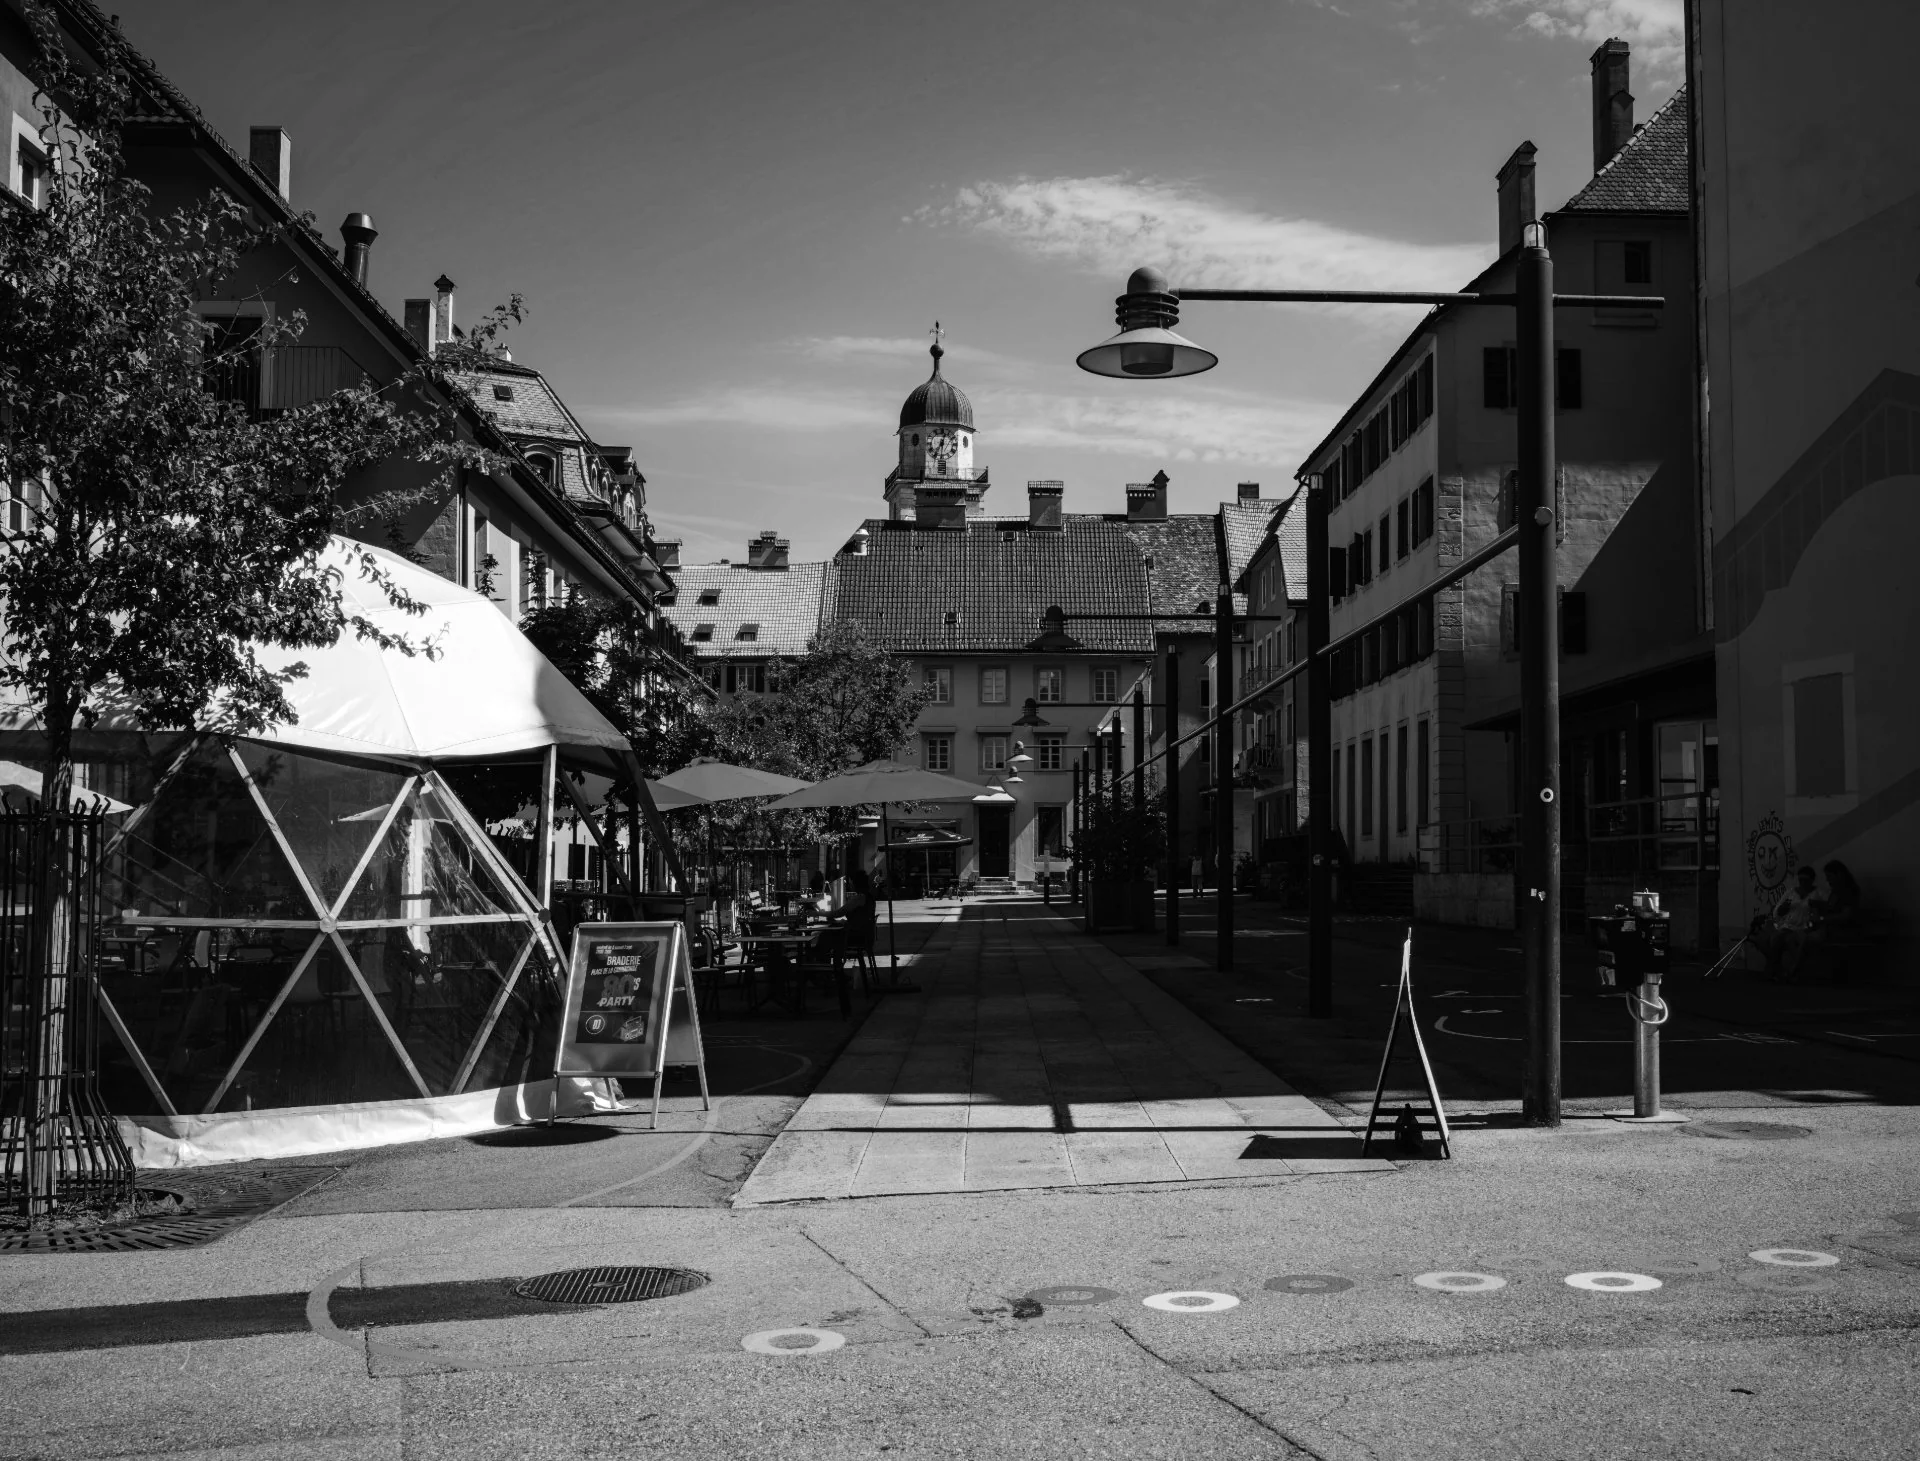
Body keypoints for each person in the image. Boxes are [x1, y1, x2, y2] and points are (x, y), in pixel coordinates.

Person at [1761, 865, 1820, 980]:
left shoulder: (1817, 894)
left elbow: (1818, 912)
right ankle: (1777, 970)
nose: (1802, 883)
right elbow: (1777, 912)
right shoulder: (1791, 893)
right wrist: (1783, 909)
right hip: (1788, 926)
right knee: (1774, 938)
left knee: (1787, 939)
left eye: (1806, 880)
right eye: (1800, 880)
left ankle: (1779, 971)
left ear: (1811, 880)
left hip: (1803, 928)